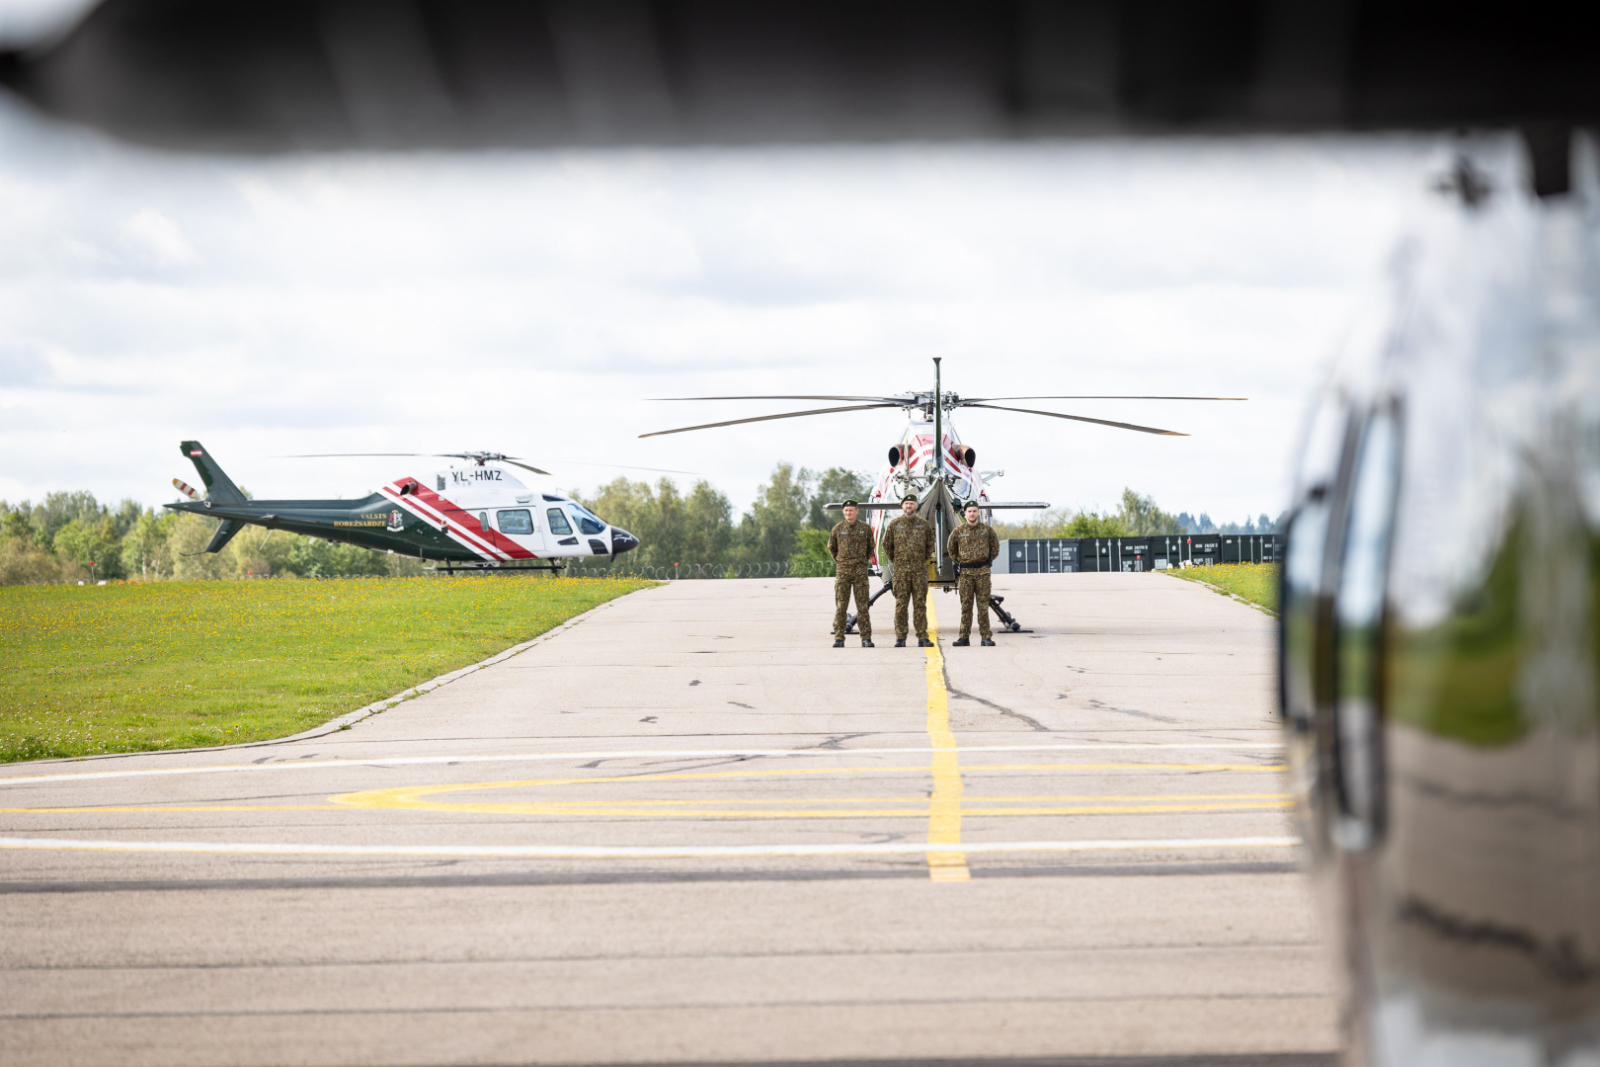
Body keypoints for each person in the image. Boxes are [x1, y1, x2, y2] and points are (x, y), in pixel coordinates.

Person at [945, 501, 999, 646]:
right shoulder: (958, 531)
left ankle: (986, 637)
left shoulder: (987, 531)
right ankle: (964, 637)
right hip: (966, 574)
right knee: (966, 606)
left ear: (978, 512)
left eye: (975, 511)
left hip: (983, 573)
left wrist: (984, 562)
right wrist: (962, 561)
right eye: (969, 511)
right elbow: (951, 550)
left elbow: (995, 549)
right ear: (966, 513)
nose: (972, 514)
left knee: (983, 606)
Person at [884, 496, 933, 647]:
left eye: (911, 503)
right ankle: (900, 637)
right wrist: (898, 560)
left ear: (916, 506)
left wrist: (920, 560)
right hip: (901, 572)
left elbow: (930, 546)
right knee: (901, 605)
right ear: (902, 506)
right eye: (906, 503)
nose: (909, 506)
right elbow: (887, 545)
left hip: (919, 572)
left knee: (920, 604)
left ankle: (922, 637)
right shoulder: (894, 525)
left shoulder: (924, 525)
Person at [828, 499, 874, 647]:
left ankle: (866, 638)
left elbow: (870, 548)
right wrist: (842, 563)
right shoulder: (837, 529)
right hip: (843, 572)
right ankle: (839, 638)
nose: (849, 513)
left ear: (856, 511)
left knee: (862, 607)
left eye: (851, 510)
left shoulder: (865, 528)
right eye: (846, 510)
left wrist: (861, 561)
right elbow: (832, 548)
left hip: (860, 571)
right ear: (843, 512)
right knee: (841, 606)